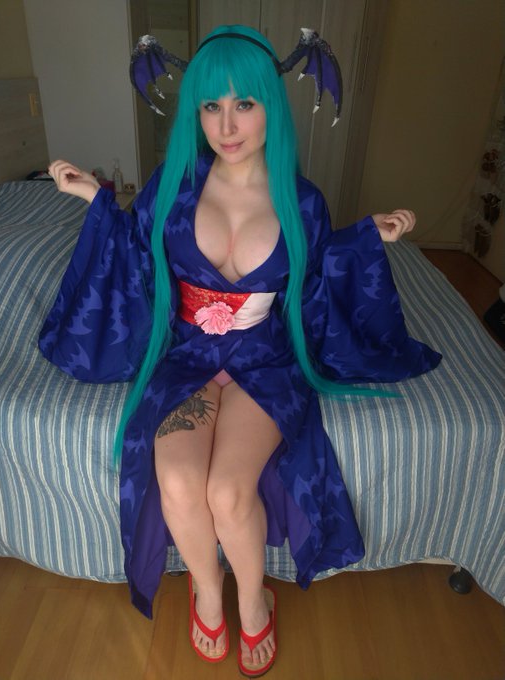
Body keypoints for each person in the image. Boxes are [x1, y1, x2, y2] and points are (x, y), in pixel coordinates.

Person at [40, 24, 441, 677]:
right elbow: (137, 257)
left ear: (271, 107)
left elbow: (317, 280)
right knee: (175, 479)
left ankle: (254, 600)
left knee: (228, 491)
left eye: (244, 104)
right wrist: (95, 199)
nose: (226, 126)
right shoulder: (174, 185)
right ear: (195, 113)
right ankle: (208, 590)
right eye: (210, 105)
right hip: (187, 358)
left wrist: (367, 239)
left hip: (264, 361)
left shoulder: (301, 201)